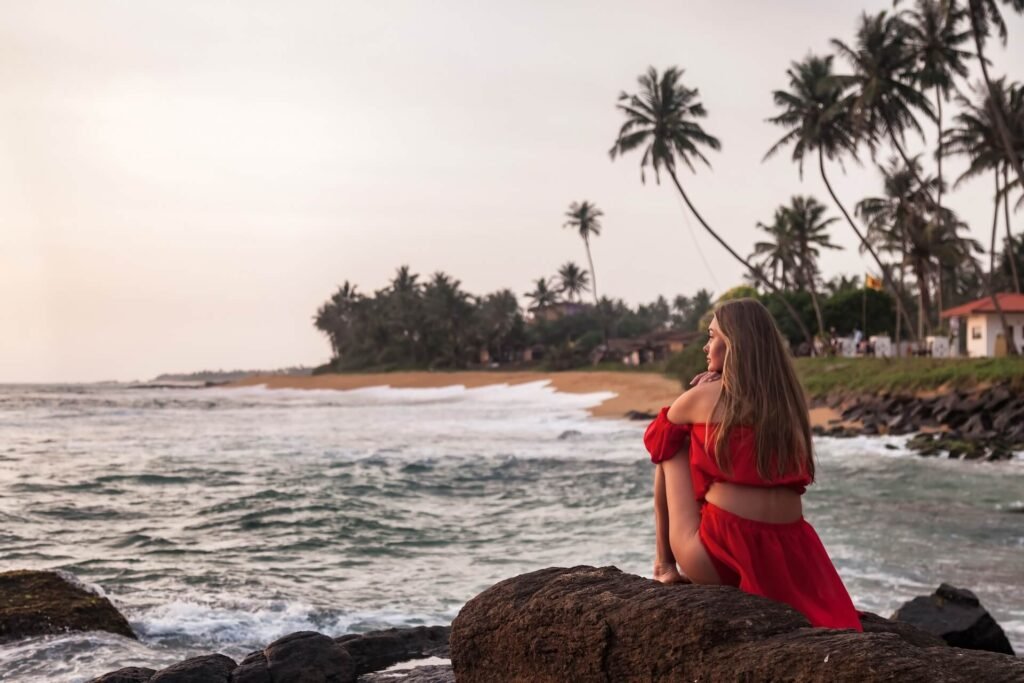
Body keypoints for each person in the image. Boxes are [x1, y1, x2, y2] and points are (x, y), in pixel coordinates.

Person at [645, 298, 862, 630]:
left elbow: (656, 442)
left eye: (712, 336)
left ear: (733, 344)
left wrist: (701, 394)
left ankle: (663, 565)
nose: (706, 347)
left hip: (716, 556)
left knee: (670, 441)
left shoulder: (700, 398)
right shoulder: (787, 403)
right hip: (792, 556)